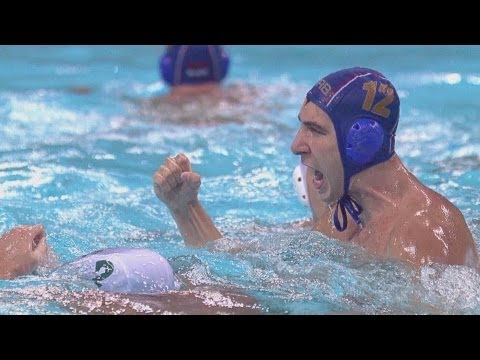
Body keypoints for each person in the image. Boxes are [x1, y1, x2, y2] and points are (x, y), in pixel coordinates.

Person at [153, 67, 479, 269]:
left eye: (316, 130)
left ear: (361, 142)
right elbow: (243, 266)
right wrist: (186, 209)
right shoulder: (348, 210)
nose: (296, 145)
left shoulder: (426, 233)